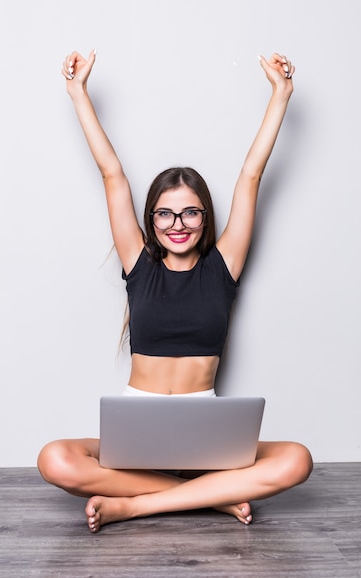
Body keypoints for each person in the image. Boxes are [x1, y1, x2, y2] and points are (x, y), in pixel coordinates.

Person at [37, 48, 313, 533]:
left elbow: (250, 175)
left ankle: (135, 504)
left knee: (297, 460)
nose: (177, 224)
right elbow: (113, 175)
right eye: (165, 213)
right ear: (152, 220)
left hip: (206, 436)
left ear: (205, 217)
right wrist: (78, 93)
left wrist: (281, 94)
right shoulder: (139, 264)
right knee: (55, 459)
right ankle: (214, 499)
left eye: (190, 212)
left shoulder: (222, 266)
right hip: (137, 428)